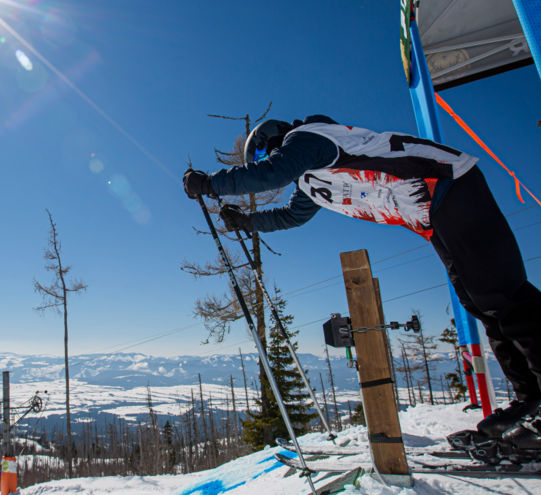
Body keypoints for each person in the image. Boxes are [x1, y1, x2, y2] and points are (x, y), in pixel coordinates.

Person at [183, 115, 541, 448]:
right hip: (433, 211)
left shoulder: (307, 138)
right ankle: (530, 402)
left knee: (502, 295)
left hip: (448, 184)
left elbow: (273, 172)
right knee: (480, 302)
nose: (264, 156)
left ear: (271, 138)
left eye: (261, 151)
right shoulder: (311, 178)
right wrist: (246, 222)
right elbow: (293, 216)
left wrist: (212, 184)